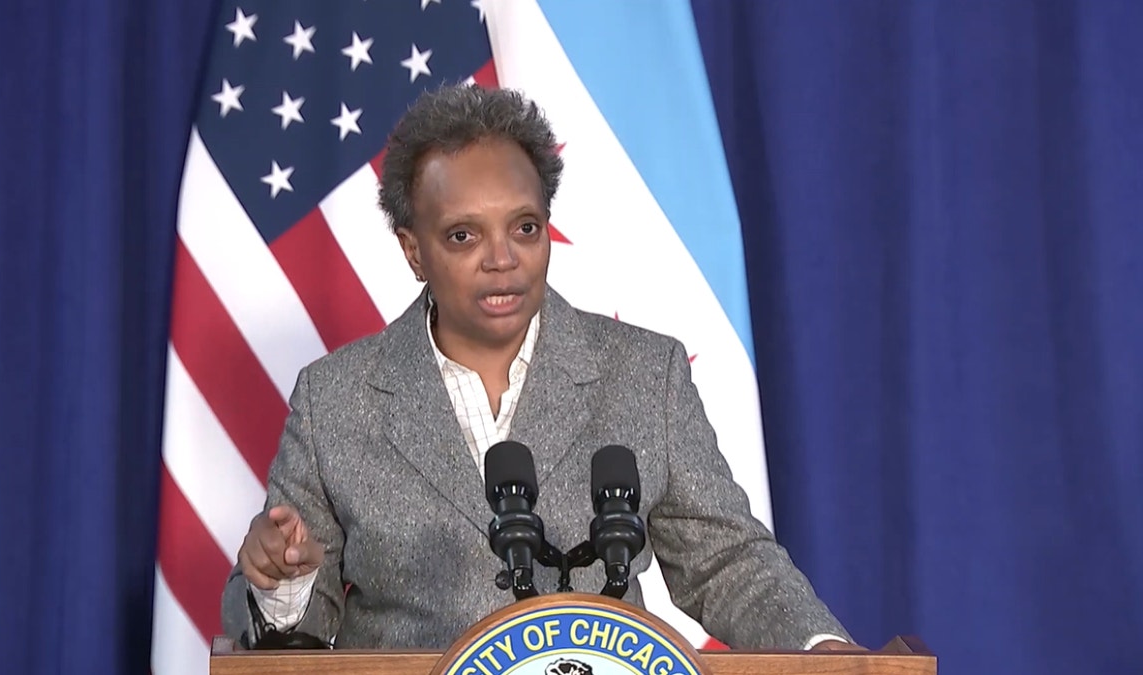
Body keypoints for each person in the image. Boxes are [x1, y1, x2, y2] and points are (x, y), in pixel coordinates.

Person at [220, 84, 856, 651]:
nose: (502, 259)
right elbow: (286, 627)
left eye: (524, 228)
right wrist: (283, 579)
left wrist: (823, 648)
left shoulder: (645, 375)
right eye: (463, 236)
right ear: (413, 251)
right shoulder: (335, 398)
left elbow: (727, 564)